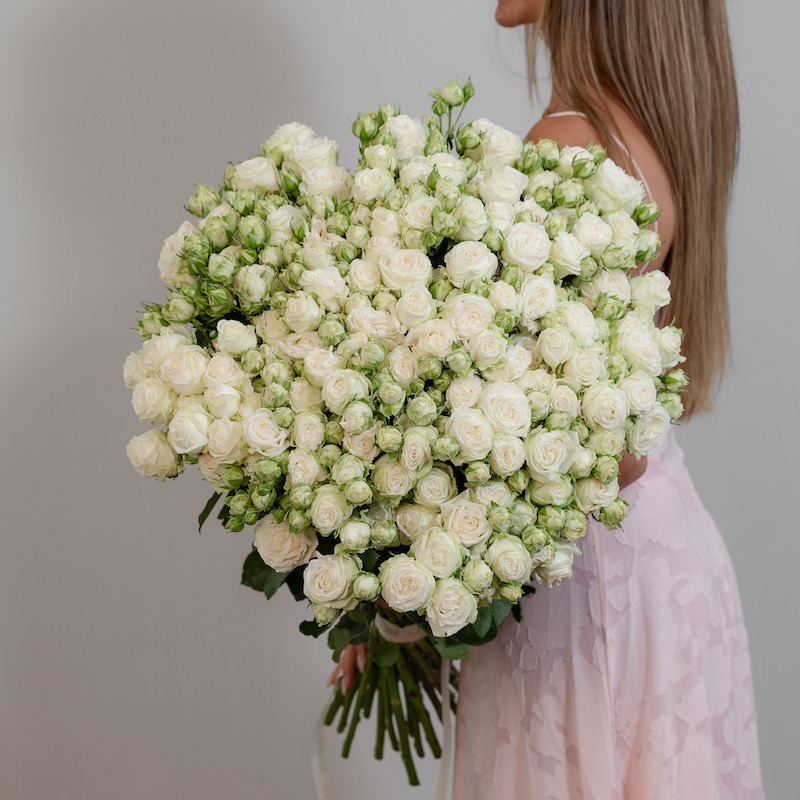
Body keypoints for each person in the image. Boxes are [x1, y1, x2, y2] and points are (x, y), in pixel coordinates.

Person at [333, 1, 764, 796]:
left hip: (582, 595)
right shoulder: (653, 130)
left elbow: (492, 433)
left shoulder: (567, 144)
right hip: (659, 561)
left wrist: (394, 603)